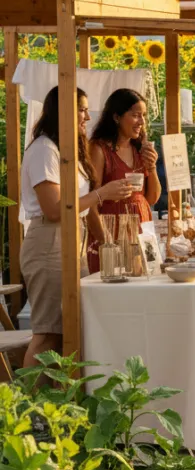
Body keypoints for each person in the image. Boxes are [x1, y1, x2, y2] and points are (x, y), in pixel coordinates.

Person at [21, 87, 133, 367]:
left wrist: (109, 245)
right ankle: (26, 407)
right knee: (48, 333)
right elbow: (55, 209)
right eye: (81, 109)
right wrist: (102, 193)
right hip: (49, 242)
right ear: (62, 112)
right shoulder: (44, 149)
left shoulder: (67, 150)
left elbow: (83, 207)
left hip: (74, 242)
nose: (86, 116)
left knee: (71, 329)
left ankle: (61, 403)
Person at [86, 88, 160, 274]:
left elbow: (151, 199)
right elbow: (90, 203)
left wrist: (151, 167)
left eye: (143, 115)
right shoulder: (99, 149)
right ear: (116, 117)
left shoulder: (139, 149)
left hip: (141, 231)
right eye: (135, 115)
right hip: (111, 233)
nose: (142, 122)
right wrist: (107, 244)